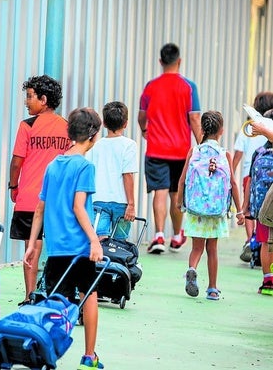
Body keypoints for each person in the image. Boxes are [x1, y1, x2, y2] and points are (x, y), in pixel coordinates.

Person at [24, 107, 104, 370]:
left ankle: (48, 355)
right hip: (79, 248)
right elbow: (79, 207)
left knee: (57, 304)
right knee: (89, 296)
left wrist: (33, 244)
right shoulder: (85, 167)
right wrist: (94, 239)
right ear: (92, 135)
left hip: (56, 248)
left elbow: (40, 208)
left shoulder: (53, 164)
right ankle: (89, 356)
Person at [9, 75, 71, 305]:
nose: (26, 102)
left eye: (29, 97)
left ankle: (29, 295)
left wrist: (13, 186)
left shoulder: (27, 126)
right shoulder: (67, 126)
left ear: (43, 99)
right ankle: (58, 293)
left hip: (29, 198)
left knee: (31, 247)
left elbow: (17, 162)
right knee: (59, 247)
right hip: (57, 200)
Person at [138, 43, 202, 254]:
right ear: (179, 61)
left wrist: (144, 130)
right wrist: (203, 144)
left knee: (160, 191)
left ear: (160, 62)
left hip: (156, 149)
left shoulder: (150, 87)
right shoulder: (188, 86)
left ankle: (158, 236)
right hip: (180, 150)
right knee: (176, 193)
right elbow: (194, 118)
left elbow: (142, 116)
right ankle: (176, 236)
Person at [177, 111, 244, 300]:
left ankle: (191, 269)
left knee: (196, 248)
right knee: (212, 249)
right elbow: (233, 184)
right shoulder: (225, 154)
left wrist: (179, 202)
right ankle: (213, 289)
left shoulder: (194, 151)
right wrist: (239, 211)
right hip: (216, 211)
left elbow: (182, 180)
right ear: (221, 131)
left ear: (202, 129)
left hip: (196, 210)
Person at [85, 101, 138, 240]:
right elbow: (128, 175)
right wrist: (131, 204)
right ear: (125, 123)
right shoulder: (129, 145)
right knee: (119, 243)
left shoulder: (95, 146)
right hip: (121, 201)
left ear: (104, 124)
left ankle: (99, 262)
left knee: (99, 239)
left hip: (98, 200)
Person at [233, 92, 273, 262]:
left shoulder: (250, 126)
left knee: (252, 210)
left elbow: (238, 152)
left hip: (251, 173)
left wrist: (232, 171)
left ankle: (251, 239)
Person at [242, 109, 273, 295]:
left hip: (263, 207)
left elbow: (250, 180)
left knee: (266, 242)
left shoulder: (259, 152)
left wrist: (246, 207)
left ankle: (268, 280)